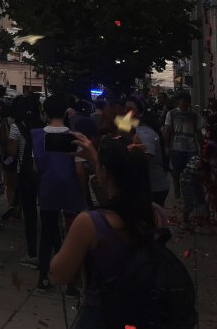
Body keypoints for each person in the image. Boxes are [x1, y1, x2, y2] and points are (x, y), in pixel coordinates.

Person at [48, 134, 173, 329]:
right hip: (144, 312)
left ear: (104, 172)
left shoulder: (89, 223)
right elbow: (123, 198)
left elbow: (59, 275)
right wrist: (99, 161)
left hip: (100, 315)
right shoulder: (157, 214)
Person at [31, 94, 86, 293]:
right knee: (71, 236)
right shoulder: (74, 137)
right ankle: (70, 281)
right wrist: (83, 192)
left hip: (47, 189)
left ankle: (44, 277)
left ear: (45, 112)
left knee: (47, 232)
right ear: (65, 112)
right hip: (70, 190)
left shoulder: (37, 135)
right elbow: (79, 171)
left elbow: (35, 167)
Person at [9, 95, 43, 267]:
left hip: (24, 172)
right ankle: (46, 250)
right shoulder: (42, 126)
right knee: (45, 212)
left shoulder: (16, 127)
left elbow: (12, 152)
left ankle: (32, 252)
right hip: (41, 172)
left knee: (29, 214)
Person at [164, 93, 202, 202]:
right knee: (176, 173)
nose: (185, 103)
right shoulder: (171, 114)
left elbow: (198, 133)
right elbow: (167, 131)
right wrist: (166, 147)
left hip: (191, 149)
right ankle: (177, 193)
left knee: (192, 174)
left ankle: (190, 195)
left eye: (187, 101)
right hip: (176, 148)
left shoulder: (194, 116)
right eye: (183, 101)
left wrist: (202, 148)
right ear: (178, 102)